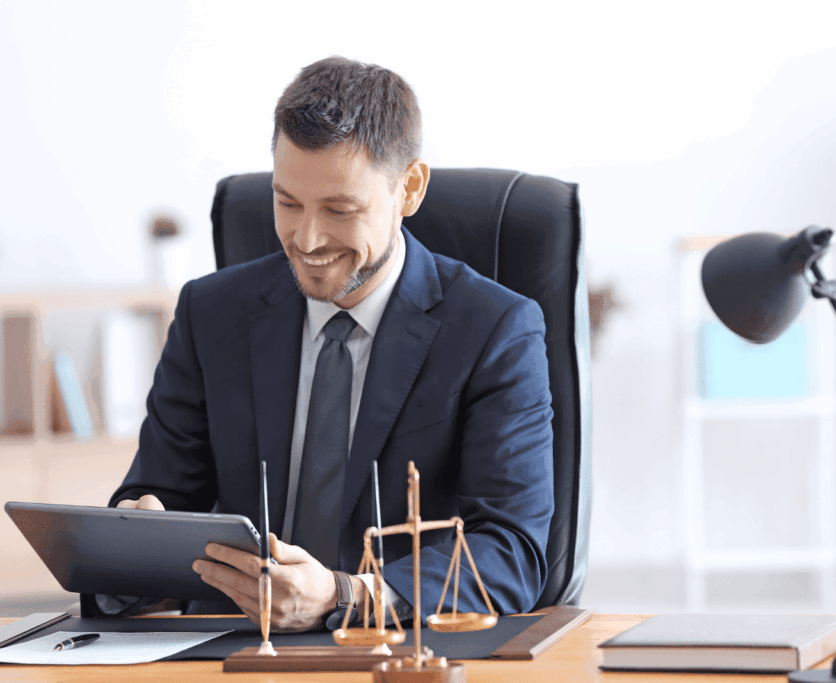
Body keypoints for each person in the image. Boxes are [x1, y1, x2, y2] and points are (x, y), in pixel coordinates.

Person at [96, 56, 554, 632]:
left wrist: (346, 595)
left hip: (395, 652)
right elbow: (157, 495)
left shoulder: (496, 330)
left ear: (409, 188)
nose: (306, 239)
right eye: (287, 203)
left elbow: (511, 551)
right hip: (233, 651)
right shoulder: (210, 313)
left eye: (340, 210)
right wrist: (135, 541)